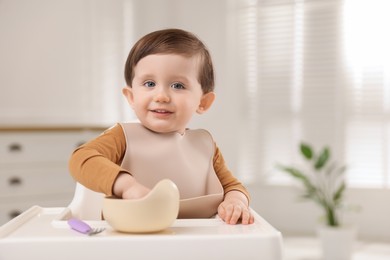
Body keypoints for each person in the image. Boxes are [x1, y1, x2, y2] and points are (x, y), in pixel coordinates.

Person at [69, 28, 254, 225]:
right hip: (133, 240)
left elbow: (232, 186)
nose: (161, 96)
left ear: (203, 102)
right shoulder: (122, 137)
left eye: (178, 86)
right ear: (131, 97)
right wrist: (127, 186)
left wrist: (236, 201)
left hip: (194, 240)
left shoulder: (205, 146)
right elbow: (81, 159)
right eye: (149, 83)